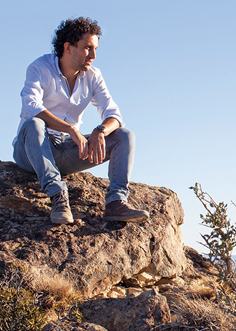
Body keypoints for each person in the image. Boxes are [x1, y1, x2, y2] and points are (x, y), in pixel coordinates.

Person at [12, 17, 149, 225]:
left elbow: (114, 114)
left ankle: (116, 202)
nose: (93, 55)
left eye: (95, 49)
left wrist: (100, 130)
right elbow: (31, 108)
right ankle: (58, 197)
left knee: (124, 135)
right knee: (34, 123)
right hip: (31, 151)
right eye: (87, 48)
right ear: (68, 47)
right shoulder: (39, 68)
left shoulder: (93, 76)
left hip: (66, 151)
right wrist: (70, 129)